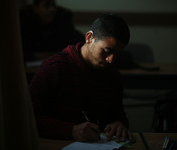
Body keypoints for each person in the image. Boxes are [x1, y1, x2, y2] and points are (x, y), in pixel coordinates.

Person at [30, 14, 132, 142]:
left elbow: (119, 115)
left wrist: (119, 124)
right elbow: (28, 118)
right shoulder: (54, 68)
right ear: (89, 38)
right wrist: (71, 130)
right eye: (106, 50)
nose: (111, 60)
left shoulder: (113, 75)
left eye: (117, 54)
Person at [19, 0, 84, 62]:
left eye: (53, 5)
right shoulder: (25, 23)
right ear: (35, 8)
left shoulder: (62, 21)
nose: (51, 9)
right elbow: (21, 51)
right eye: (46, 6)